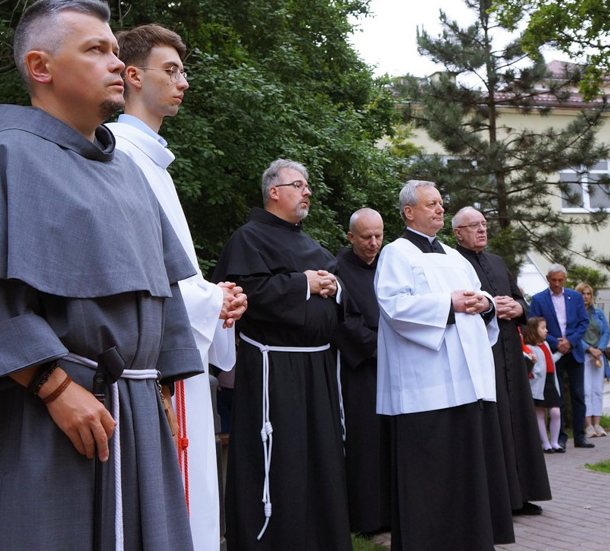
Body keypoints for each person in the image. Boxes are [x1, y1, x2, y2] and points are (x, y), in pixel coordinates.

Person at [0, 0, 203, 549]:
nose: (116, 64)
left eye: (117, 51)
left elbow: (161, 292)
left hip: (138, 414)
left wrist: (163, 393)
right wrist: (52, 386)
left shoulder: (128, 174)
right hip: (50, 422)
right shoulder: (1, 161)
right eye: (96, 49)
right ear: (41, 67)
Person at [107, 23, 248, 550]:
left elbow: (173, 267)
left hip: (180, 343)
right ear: (133, 75)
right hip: (155, 356)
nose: (183, 81)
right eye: (171, 70)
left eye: (183, 71)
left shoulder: (155, 162)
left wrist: (218, 298)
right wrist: (211, 300)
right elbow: (132, 266)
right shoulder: (118, 153)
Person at [212, 159, 351, 550]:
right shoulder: (248, 239)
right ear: (274, 191)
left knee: (321, 457)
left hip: (318, 367)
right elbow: (243, 293)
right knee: (282, 460)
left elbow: (346, 300)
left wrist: (334, 286)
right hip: (275, 368)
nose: (308, 192)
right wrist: (304, 284)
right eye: (299, 185)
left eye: (307, 186)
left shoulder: (314, 245)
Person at [375, 180, 514, 551]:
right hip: (425, 385)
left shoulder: (455, 257)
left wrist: (484, 304)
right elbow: (395, 307)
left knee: (466, 471)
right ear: (409, 212)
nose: (439, 208)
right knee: (431, 475)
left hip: (467, 384)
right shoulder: (396, 254)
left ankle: (469, 539)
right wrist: (448, 304)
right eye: (431, 204)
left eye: (441, 203)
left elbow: (480, 297)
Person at [453, 206, 551, 517]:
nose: (482, 230)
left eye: (484, 224)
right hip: (483, 356)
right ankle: (500, 499)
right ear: (457, 233)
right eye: (473, 226)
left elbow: (523, 300)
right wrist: (494, 308)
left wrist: (517, 309)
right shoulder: (453, 264)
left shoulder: (496, 262)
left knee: (519, 423)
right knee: (494, 427)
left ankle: (524, 494)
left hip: (511, 354)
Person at [333, 208, 391, 534]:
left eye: (378, 236)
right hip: (359, 369)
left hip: (394, 368)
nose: (373, 244)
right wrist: (378, 346)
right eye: (366, 237)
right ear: (350, 236)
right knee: (364, 440)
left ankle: (392, 511)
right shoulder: (337, 268)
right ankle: (365, 517)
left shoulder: (390, 267)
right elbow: (341, 319)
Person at [529, 264, 592, 449]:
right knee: (557, 398)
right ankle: (560, 437)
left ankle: (580, 436)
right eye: (554, 280)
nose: (557, 284)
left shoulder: (576, 297)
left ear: (565, 279)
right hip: (552, 353)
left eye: (560, 280)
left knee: (578, 395)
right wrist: (556, 343)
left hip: (574, 352)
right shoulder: (539, 299)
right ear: (548, 279)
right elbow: (533, 325)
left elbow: (583, 322)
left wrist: (570, 341)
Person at [522, 317, 564, 453]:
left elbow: (549, 361)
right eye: (543, 328)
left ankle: (555, 442)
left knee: (555, 412)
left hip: (550, 381)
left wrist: (560, 354)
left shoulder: (545, 344)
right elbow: (533, 366)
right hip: (538, 385)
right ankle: (545, 443)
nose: (546, 331)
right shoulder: (529, 348)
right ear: (534, 330)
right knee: (539, 413)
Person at [576, 282, 610, 438]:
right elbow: (575, 334)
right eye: (583, 294)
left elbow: (605, 332)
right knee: (586, 391)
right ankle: (588, 426)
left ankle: (598, 424)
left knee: (597, 390)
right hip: (584, 355)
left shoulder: (598, 313)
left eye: (588, 294)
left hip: (598, 355)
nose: (586, 297)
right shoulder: (575, 313)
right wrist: (589, 349)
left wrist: (599, 349)